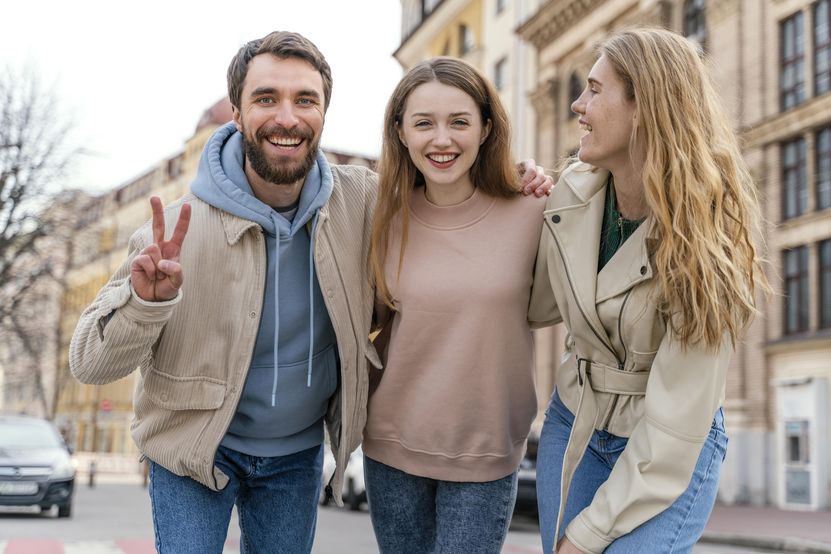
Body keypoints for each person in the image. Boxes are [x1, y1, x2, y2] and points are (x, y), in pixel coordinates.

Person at [69, 31, 550, 553]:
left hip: (296, 455)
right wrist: (147, 303)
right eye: (266, 98)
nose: (287, 117)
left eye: (305, 100)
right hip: (193, 450)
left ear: (324, 113)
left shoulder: (363, 202)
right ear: (237, 112)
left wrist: (520, 178)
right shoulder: (178, 230)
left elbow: (445, 203)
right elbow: (90, 364)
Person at [529, 28, 770, 553]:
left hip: (669, 442)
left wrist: (586, 536)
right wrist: (514, 210)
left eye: (594, 90)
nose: (578, 104)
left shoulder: (710, 234)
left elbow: (673, 427)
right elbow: (534, 305)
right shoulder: (569, 191)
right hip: (574, 423)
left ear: (645, 108)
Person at [363, 57, 549, 554]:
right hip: (391, 448)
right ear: (400, 132)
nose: (441, 140)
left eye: (459, 122)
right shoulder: (381, 216)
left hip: (485, 456)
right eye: (423, 123)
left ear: (487, 128)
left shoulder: (534, 209)